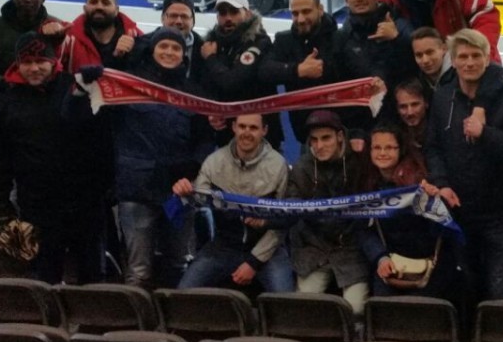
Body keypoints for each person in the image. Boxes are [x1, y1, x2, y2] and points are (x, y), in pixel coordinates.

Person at [70, 29, 214, 288]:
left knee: (178, 263)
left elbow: (204, 141)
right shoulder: (129, 85)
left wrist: (191, 173)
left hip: (178, 191)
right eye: (164, 46)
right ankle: (137, 326)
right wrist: (87, 83)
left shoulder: (194, 92)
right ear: (153, 50)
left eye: (175, 48)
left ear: (184, 55)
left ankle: (174, 324)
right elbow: (84, 116)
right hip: (136, 189)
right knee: (138, 271)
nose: (169, 52)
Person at [0, 33, 110, 285]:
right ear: (17, 64)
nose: (34, 68)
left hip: (84, 203)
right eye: (27, 62)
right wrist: (1, 207)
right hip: (37, 207)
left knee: (92, 273)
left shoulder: (76, 89)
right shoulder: (5, 102)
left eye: (40, 61)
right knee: (45, 276)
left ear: (54, 61)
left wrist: (105, 189)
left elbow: (100, 142)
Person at [424, 28, 503, 305]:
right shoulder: (442, 98)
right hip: (458, 213)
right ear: (453, 59)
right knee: (466, 285)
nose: (469, 62)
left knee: (498, 291)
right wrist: (443, 183)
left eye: (476, 56)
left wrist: (486, 134)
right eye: (463, 56)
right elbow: (433, 147)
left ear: (488, 58)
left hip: (496, 216)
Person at [175, 113, 294, 293]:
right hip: (223, 246)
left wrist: (254, 262)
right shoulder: (214, 162)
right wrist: (185, 191)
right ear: (233, 128)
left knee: (288, 305)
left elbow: (283, 223)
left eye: (253, 128)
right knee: (182, 296)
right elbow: (197, 201)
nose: (246, 132)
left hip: (268, 251)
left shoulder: (279, 166)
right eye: (242, 126)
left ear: (264, 131)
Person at [359, 122, 459, 297]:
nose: (382, 153)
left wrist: (435, 203)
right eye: (377, 147)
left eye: (389, 147)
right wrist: (380, 258)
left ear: (401, 150)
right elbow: (364, 229)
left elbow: (446, 228)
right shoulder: (368, 183)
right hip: (390, 264)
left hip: (429, 267)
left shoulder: (421, 179)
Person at [286, 111, 369, 314]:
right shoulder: (302, 167)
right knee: (304, 308)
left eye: (326, 138)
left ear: (340, 136)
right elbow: (290, 205)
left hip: (351, 249)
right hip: (314, 249)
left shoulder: (359, 161)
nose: (319, 146)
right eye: (314, 140)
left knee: (356, 309)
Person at [258, 0, 339, 145]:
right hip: (303, 132)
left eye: (306, 11)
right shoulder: (284, 40)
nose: (300, 19)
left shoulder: (338, 38)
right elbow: (264, 71)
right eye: (295, 13)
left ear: (320, 9)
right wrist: (297, 70)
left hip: (338, 129)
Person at [201, 0, 282, 149]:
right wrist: (211, 112)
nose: (228, 18)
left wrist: (211, 59)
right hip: (227, 134)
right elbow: (206, 84)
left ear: (248, 13)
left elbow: (233, 82)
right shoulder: (211, 43)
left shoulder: (260, 42)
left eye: (234, 12)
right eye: (223, 13)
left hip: (262, 135)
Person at [334, 0, 415, 127]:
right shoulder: (342, 37)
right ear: (346, 0)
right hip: (361, 121)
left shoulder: (399, 25)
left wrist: (396, 39)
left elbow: (416, 68)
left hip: (399, 118)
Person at [54, 0, 142, 71]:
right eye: (93, 2)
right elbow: (54, 70)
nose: (99, 7)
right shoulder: (68, 38)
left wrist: (130, 56)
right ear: (85, 9)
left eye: (106, 3)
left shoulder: (135, 36)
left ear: (116, 10)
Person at [134, 0, 204, 83]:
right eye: (173, 16)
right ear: (163, 18)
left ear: (193, 21)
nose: (178, 21)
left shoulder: (204, 50)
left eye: (184, 16)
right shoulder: (141, 45)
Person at [411, 26, 452, 100]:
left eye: (430, 52)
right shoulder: (419, 83)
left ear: (444, 49)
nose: (425, 60)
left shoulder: (461, 76)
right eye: (419, 55)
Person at [393, 79, 429, 151]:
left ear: (426, 103)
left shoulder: (439, 132)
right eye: (403, 106)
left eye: (415, 104)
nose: (410, 112)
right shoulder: (395, 137)